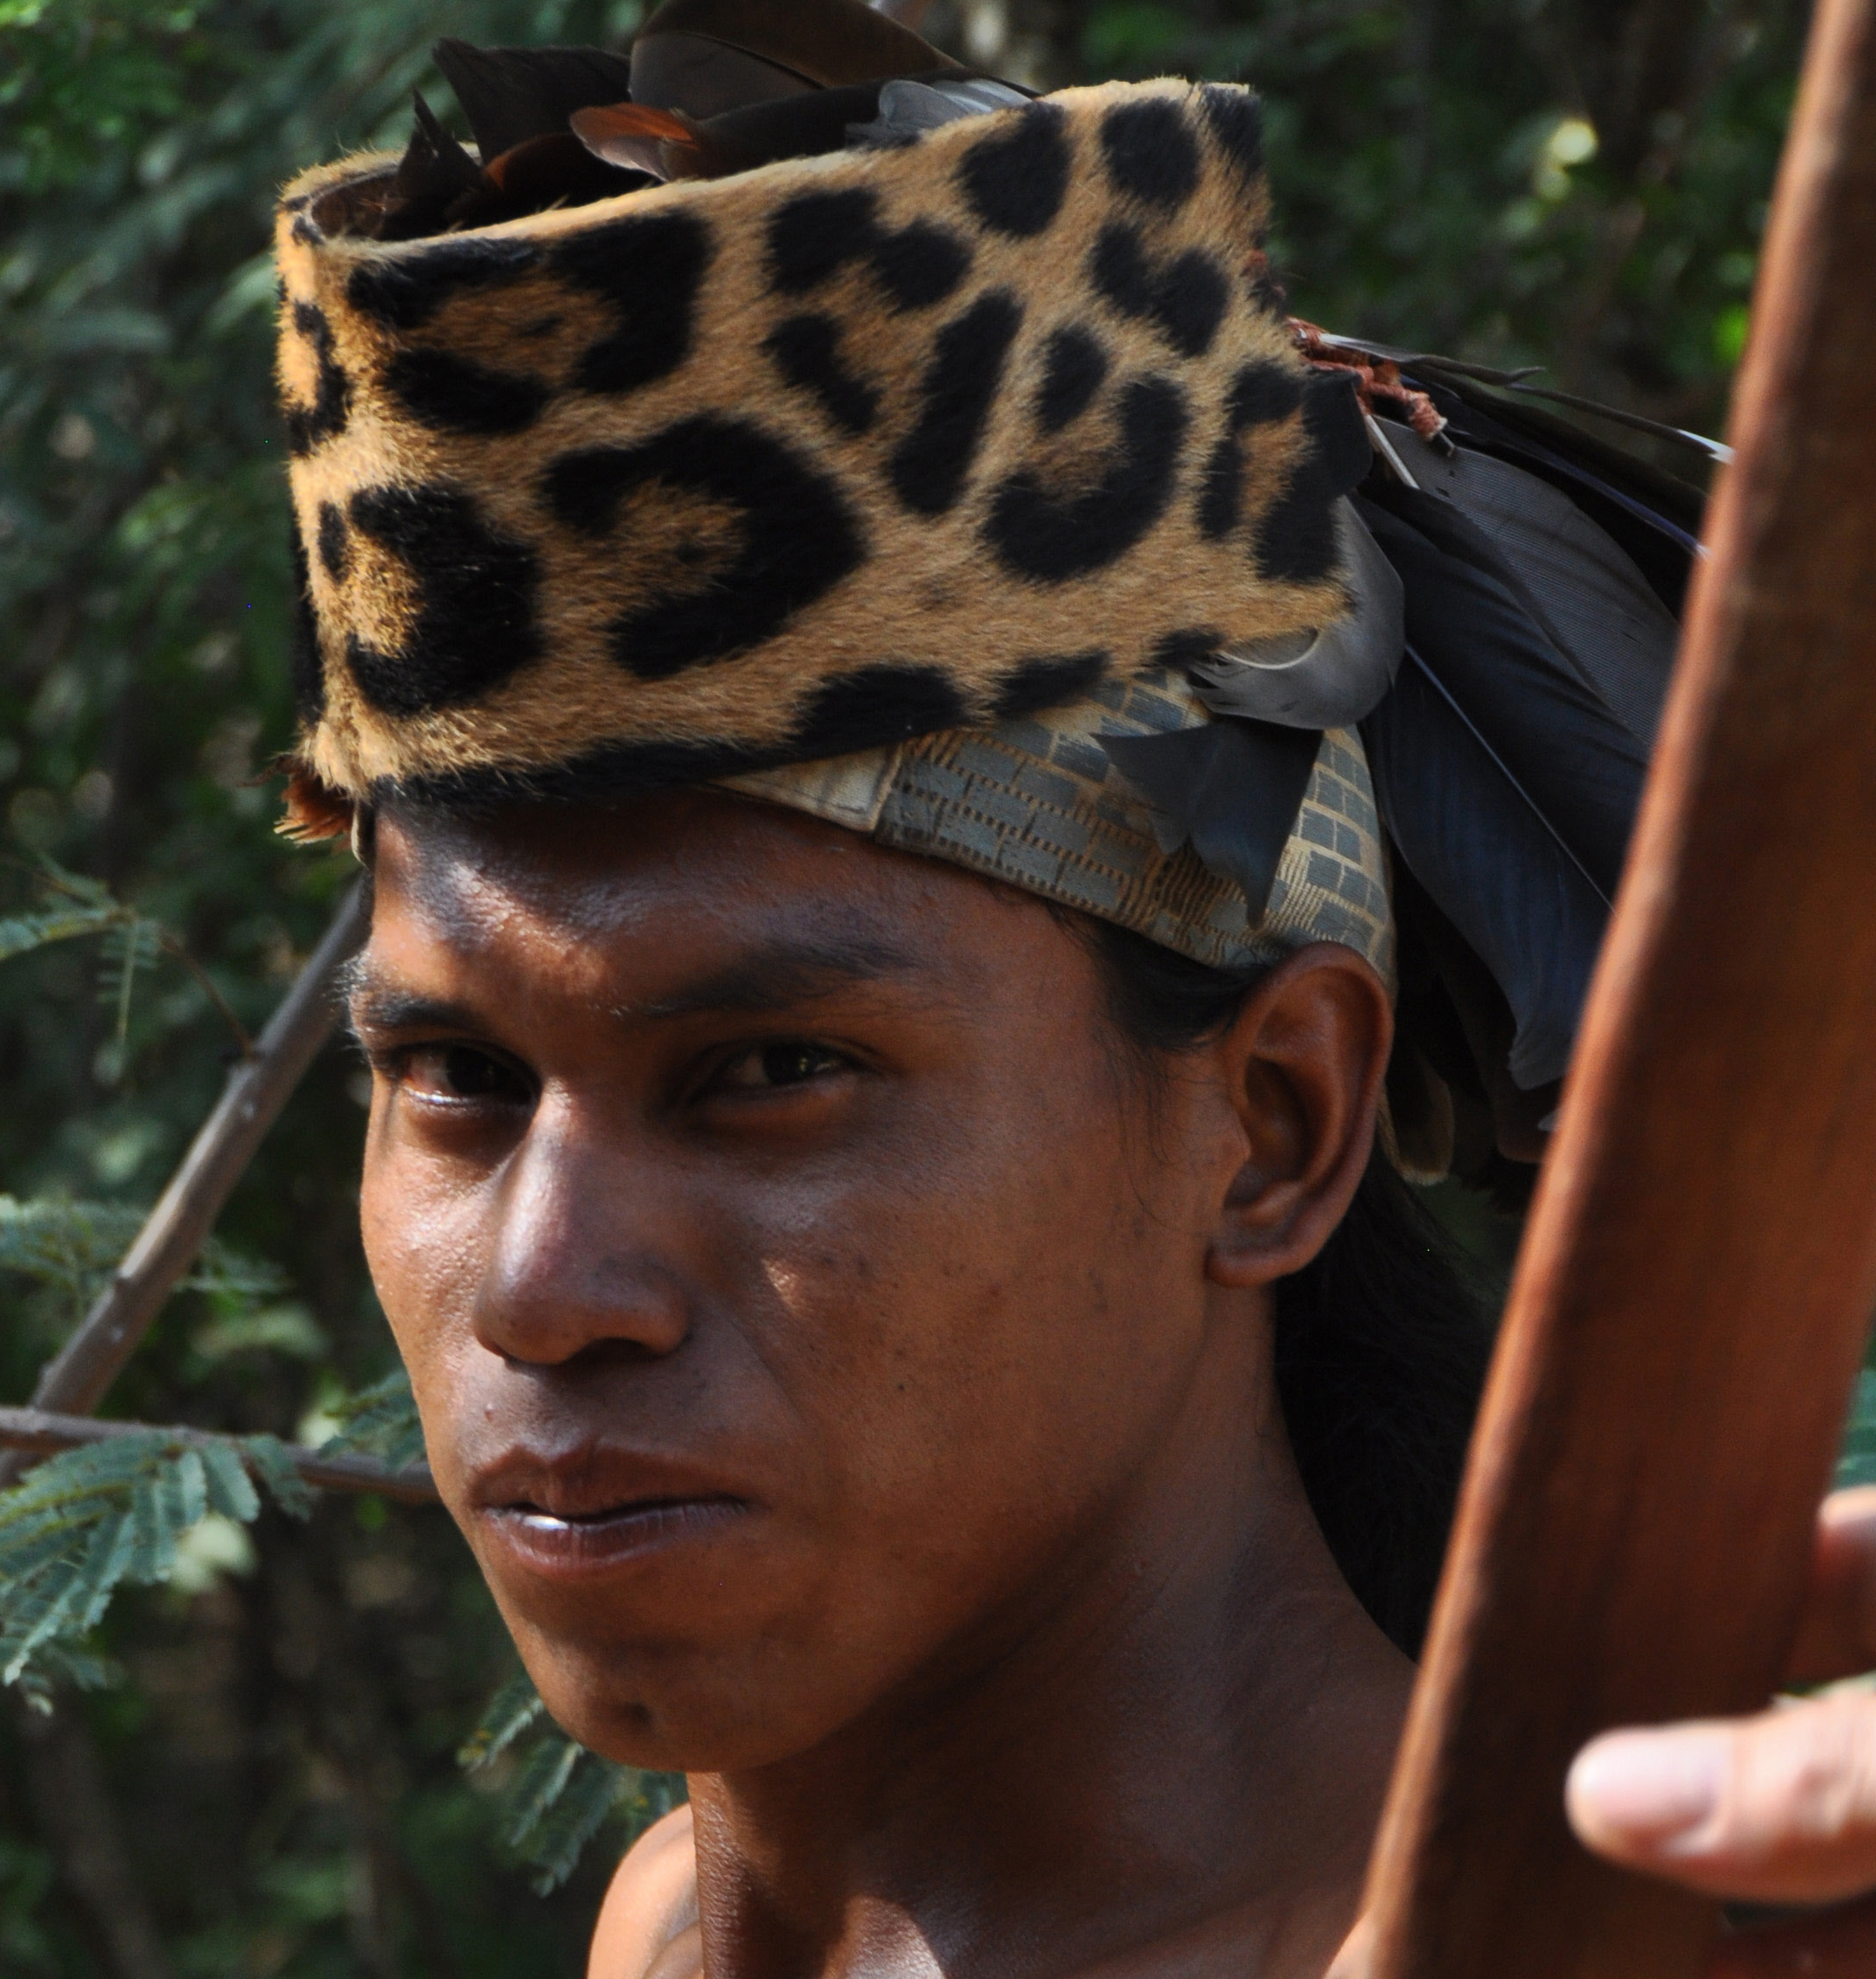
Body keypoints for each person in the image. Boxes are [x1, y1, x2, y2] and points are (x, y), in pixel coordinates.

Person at [269, 4, 1876, 1970]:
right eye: (453, 1078)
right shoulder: (674, 1929)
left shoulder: (1563, 1939)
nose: (539, 1288)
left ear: (1270, 1125)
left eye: (770, 1069)